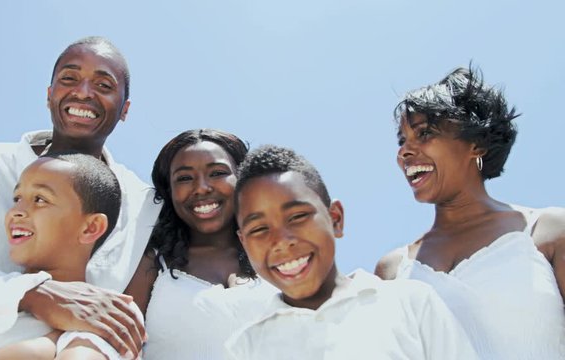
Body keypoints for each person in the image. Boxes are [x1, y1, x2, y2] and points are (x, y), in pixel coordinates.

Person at [0, 36, 160, 359]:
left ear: (125, 109)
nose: (83, 92)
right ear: (49, 95)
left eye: (104, 85)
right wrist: (31, 293)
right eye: (69, 78)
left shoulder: (144, 207)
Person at [375, 66, 565, 359]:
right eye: (402, 140)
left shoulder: (548, 229)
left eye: (424, 133)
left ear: (476, 145)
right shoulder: (392, 269)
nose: (404, 152)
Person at [225, 145, 478, 359]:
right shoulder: (245, 348)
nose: (281, 241)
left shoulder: (410, 303)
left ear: (335, 219)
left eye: (298, 216)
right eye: (259, 229)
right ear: (244, 243)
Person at [0, 153, 138, 359]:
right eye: (17, 199)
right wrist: (46, 345)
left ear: (91, 227)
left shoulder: (107, 310)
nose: (16, 212)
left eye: (40, 199)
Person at [124, 129, 276, 360]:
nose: (202, 187)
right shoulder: (151, 263)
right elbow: (115, 345)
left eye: (217, 173)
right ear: (169, 191)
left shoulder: (279, 259)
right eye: (184, 178)